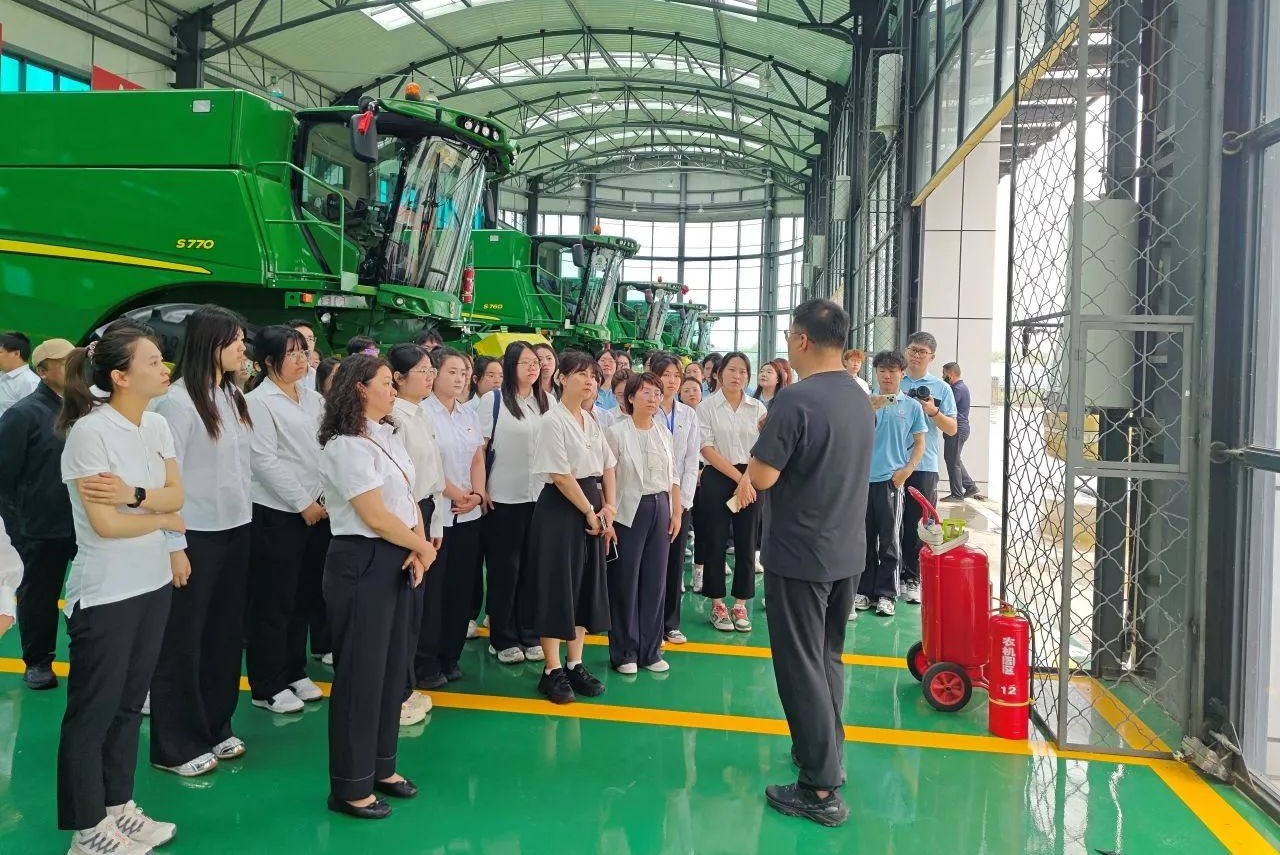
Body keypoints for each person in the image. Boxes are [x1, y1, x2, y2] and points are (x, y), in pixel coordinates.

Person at [733, 299, 872, 828]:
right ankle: (826, 751)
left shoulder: (795, 400)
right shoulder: (858, 396)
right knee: (827, 656)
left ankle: (819, 788)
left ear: (802, 340)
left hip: (801, 552)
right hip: (845, 550)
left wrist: (764, 442)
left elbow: (763, 476)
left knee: (800, 666)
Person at [55, 320, 186, 854]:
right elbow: (106, 526)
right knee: (94, 713)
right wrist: (161, 518)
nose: (164, 368)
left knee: (130, 705)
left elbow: (177, 494)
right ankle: (87, 832)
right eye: (152, 361)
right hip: (106, 592)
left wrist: (137, 497)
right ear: (120, 376)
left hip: (151, 583)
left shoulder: (156, 425)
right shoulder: (90, 434)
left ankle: (117, 809)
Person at [317, 354, 436, 819]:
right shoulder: (345, 446)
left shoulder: (386, 434)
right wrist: (421, 547)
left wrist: (419, 545)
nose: (393, 389)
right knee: (362, 674)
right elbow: (374, 515)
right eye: (385, 382)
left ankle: (381, 765)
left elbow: (408, 497)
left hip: (397, 554)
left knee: (390, 670)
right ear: (360, 389)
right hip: (362, 560)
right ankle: (350, 786)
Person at [150, 305, 254, 778]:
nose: (243, 348)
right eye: (235, 340)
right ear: (210, 344)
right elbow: (162, 480)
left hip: (235, 528)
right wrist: (174, 543)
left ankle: (216, 724)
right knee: (184, 640)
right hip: (194, 535)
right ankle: (173, 744)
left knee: (224, 634)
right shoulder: (176, 403)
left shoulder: (232, 395)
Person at [243, 326, 331, 714]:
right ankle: (267, 685)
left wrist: (323, 496)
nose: (302, 360)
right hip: (278, 514)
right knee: (273, 601)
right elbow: (264, 461)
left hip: (318, 509)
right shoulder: (257, 402)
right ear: (268, 361)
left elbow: (327, 447)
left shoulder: (314, 399)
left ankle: (295, 670)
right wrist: (302, 502)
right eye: (292, 353)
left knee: (304, 597)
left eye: (304, 352)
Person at [524, 351, 617, 704]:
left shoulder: (590, 420)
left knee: (583, 587)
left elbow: (608, 465)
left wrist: (609, 506)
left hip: (590, 504)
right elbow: (561, 476)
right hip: (561, 510)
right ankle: (552, 670)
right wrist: (590, 512)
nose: (590, 381)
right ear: (561, 378)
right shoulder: (552, 421)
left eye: (593, 375)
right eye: (581, 374)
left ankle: (575, 663)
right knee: (556, 586)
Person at [0, 337, 76, 691]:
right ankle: (38, 661)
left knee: (87, 593)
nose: (72, 368)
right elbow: (4, 475)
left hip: (83, 521)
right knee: (40, 596)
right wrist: (18, 526)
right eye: (63, 363)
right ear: (43, 371)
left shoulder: (83, 408)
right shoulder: (23, 414)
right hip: (40, 525)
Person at [418, 347, 487, 687]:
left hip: (468, 516)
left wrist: (477, 495)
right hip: (437, 516)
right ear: (433, 375)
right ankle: (426, 662)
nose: (460, 379)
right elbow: (426, 464)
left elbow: (477, 458)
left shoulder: (468, 414)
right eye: (452, 372)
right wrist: (458, 494)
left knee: (460, 589)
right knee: (434, 592)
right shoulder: (422, 414)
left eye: (464, 373)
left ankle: (450, 655)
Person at [479, 343, 550, 665]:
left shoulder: (546, 402)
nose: (533, 368)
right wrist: (481, 489)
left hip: (540, 498)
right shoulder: (493, 401)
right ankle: (502, 637)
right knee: (505, 570)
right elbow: (479, 449)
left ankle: (529, 632)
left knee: (533, 570)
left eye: (536, 362)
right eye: (525, 363)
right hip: (504, 498)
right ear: (510, 366)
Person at [604, 372, 679, 673]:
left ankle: (651, 650)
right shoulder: (616, 432)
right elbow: (607, 477)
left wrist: (676, 512)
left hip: (660, 506)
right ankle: (625, 652)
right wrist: (608, 516)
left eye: (657, 393)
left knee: (655, 581)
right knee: (625, 580)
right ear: (631, 398)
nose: (652, 398)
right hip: (628, 510)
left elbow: (673, 476)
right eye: (645, 392)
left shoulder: (664, 433)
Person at [387, 343, 444, 727]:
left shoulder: (421, 413)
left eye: (430, 370)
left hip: (423, 512)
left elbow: (431, 476)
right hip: (403, 518)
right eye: (422, 371)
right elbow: (400, 484)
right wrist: (415, 536)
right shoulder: (395, 418)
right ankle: (396, 693)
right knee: (400, 609)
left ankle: (405, 685)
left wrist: (433, 525)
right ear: (398, 377)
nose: (429, 377)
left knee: (413, 610)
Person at [694, 352, 766, 632]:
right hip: (718, 476)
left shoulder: (757, 408)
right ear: (719, 373)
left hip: (751, 476)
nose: (737, 376)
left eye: (743, 371)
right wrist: (739, 479)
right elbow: (706, 447)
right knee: (715, 540)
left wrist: (747, 479)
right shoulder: (707, 407)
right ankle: (717, 604)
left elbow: (762, 447)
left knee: (747, 542)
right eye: (732, 370)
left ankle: (740, 603)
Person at [855, 351, 926, 618]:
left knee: (890, 539)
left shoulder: (912, 407)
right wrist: (868, 410)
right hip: (862, 480)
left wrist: (906, 471)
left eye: (892, 370)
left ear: (902, 374)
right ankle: (864, 590)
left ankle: (886, 593)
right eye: (882, 370)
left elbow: (920, 443)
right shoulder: (863, 403)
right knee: (863, 538)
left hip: (890, 481)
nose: (887, 375)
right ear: (875, 373)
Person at [899, 332, 958, 605]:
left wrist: (933, 411)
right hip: (891, 462)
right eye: (913, 349)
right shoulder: (895, 380)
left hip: (924, 464)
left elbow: (952, 428)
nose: (916, 355)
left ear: (931, 357)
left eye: (922, 352)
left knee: (918, 522)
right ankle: (889, 576)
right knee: (887, 522)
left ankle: (912, 577)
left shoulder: (941, 388)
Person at [648, 353, 700, 646]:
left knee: (674, 561)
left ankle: (670, 622)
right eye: (665, 374)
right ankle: (650, 624)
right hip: (650, 497)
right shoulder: (645, 411)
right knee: (651, 563)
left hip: (680, 500)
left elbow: (691, 461)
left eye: (676, 376)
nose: (671, 381)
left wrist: (683, 502)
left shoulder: (688, 415)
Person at [942, 362, 984, 501]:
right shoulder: (960, 387)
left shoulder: (957, 389)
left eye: (944, 374)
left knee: (952, 461)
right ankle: (970, 487)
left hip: (957, 429)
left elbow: (946, 406)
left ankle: (957, 494)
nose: (943, 377)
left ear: (951, 375)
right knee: (954, 459)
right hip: (960, 428)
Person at [0, 331, 40, 417]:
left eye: (0, 352)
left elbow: (32, 417)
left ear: (16, 354)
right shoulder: (2, 374)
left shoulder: (30, 382)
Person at [287, 319, 320, 391]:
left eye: (310, 339)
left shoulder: (318, 377)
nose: (307, 344)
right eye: (301, 338)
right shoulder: (279, 377)